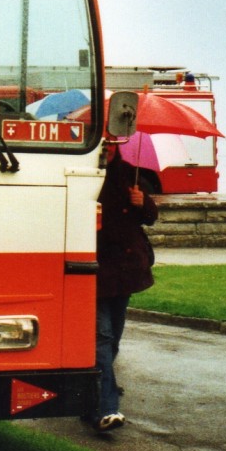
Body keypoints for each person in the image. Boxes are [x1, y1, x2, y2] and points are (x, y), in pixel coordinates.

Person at [86, 139, 157, 433]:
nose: (109, 148)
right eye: (104, 143)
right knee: (101, 335)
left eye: (113, 143)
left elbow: (150, 217)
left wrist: (143, 202)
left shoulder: (130, 174)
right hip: (96, 266)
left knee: (113, 335)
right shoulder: (84, 173)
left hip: (126, 269)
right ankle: (106, 406)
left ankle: (97, 391)